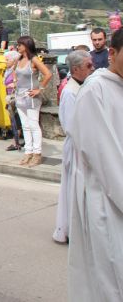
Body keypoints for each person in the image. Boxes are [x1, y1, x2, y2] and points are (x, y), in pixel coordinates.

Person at [67, 29, 123, 301]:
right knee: (111, 277)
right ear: (111, 53)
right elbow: (105, 157)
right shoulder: (95, 90)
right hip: (108, 201)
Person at [52, 50, 93, 244]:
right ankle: (68, 229)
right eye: (88, 66)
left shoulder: (82, 87)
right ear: (76, 69)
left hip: (83, 144)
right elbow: (70, 125)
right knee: (72, 189)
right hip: (76, 146)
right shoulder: (69, 91)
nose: (92, 69)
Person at [14, 36, 52, 167]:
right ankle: (28, 152)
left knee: (33, 125)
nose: (17, 47)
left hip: (31, 96)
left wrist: (39, 89)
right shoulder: (19, 59)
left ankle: (37, 153)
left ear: (26, 45)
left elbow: (48, 74)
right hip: (19, 95)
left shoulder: (34, 59)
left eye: (19, 45)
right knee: (25, 125)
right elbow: (15, 74)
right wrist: (14, 82)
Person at [3, 51, 23, 151]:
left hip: (15, 97)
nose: (5, 61)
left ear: (14, 60)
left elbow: (22, 81)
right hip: (10, 97)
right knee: (14, 120)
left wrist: (14, 85)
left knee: (16, 120)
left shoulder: (16, 70)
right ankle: (16, 141)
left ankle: (16, 142)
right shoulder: (9, 70)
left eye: (7, 60)